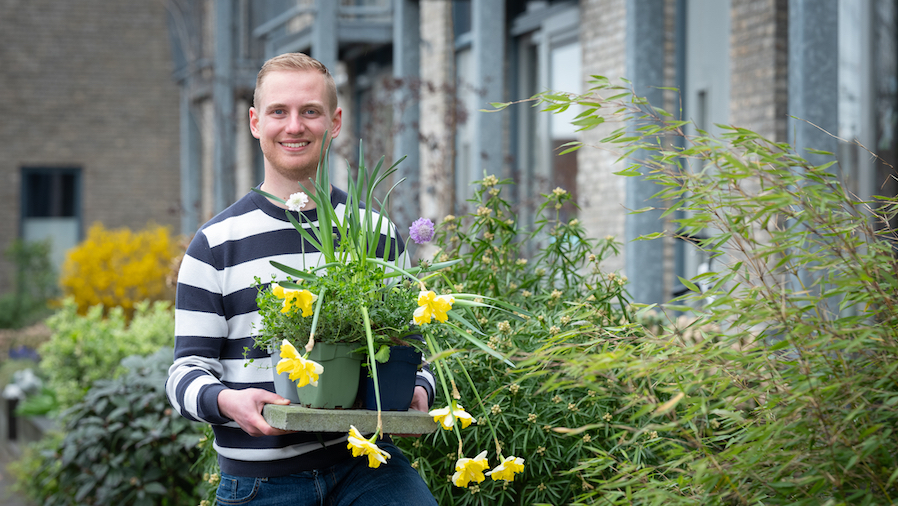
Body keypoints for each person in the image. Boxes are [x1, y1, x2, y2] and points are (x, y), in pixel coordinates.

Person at [165, 52, 438, 505]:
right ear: (255, 122)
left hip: (365, 466)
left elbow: (413, 352)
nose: (294, 126)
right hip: (262, 483)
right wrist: (225, 402)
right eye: (279, 112)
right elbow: (184, 373)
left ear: (334, 123)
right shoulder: (216, 243)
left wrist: (419, 387)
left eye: (310, 111)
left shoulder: (376, 234)